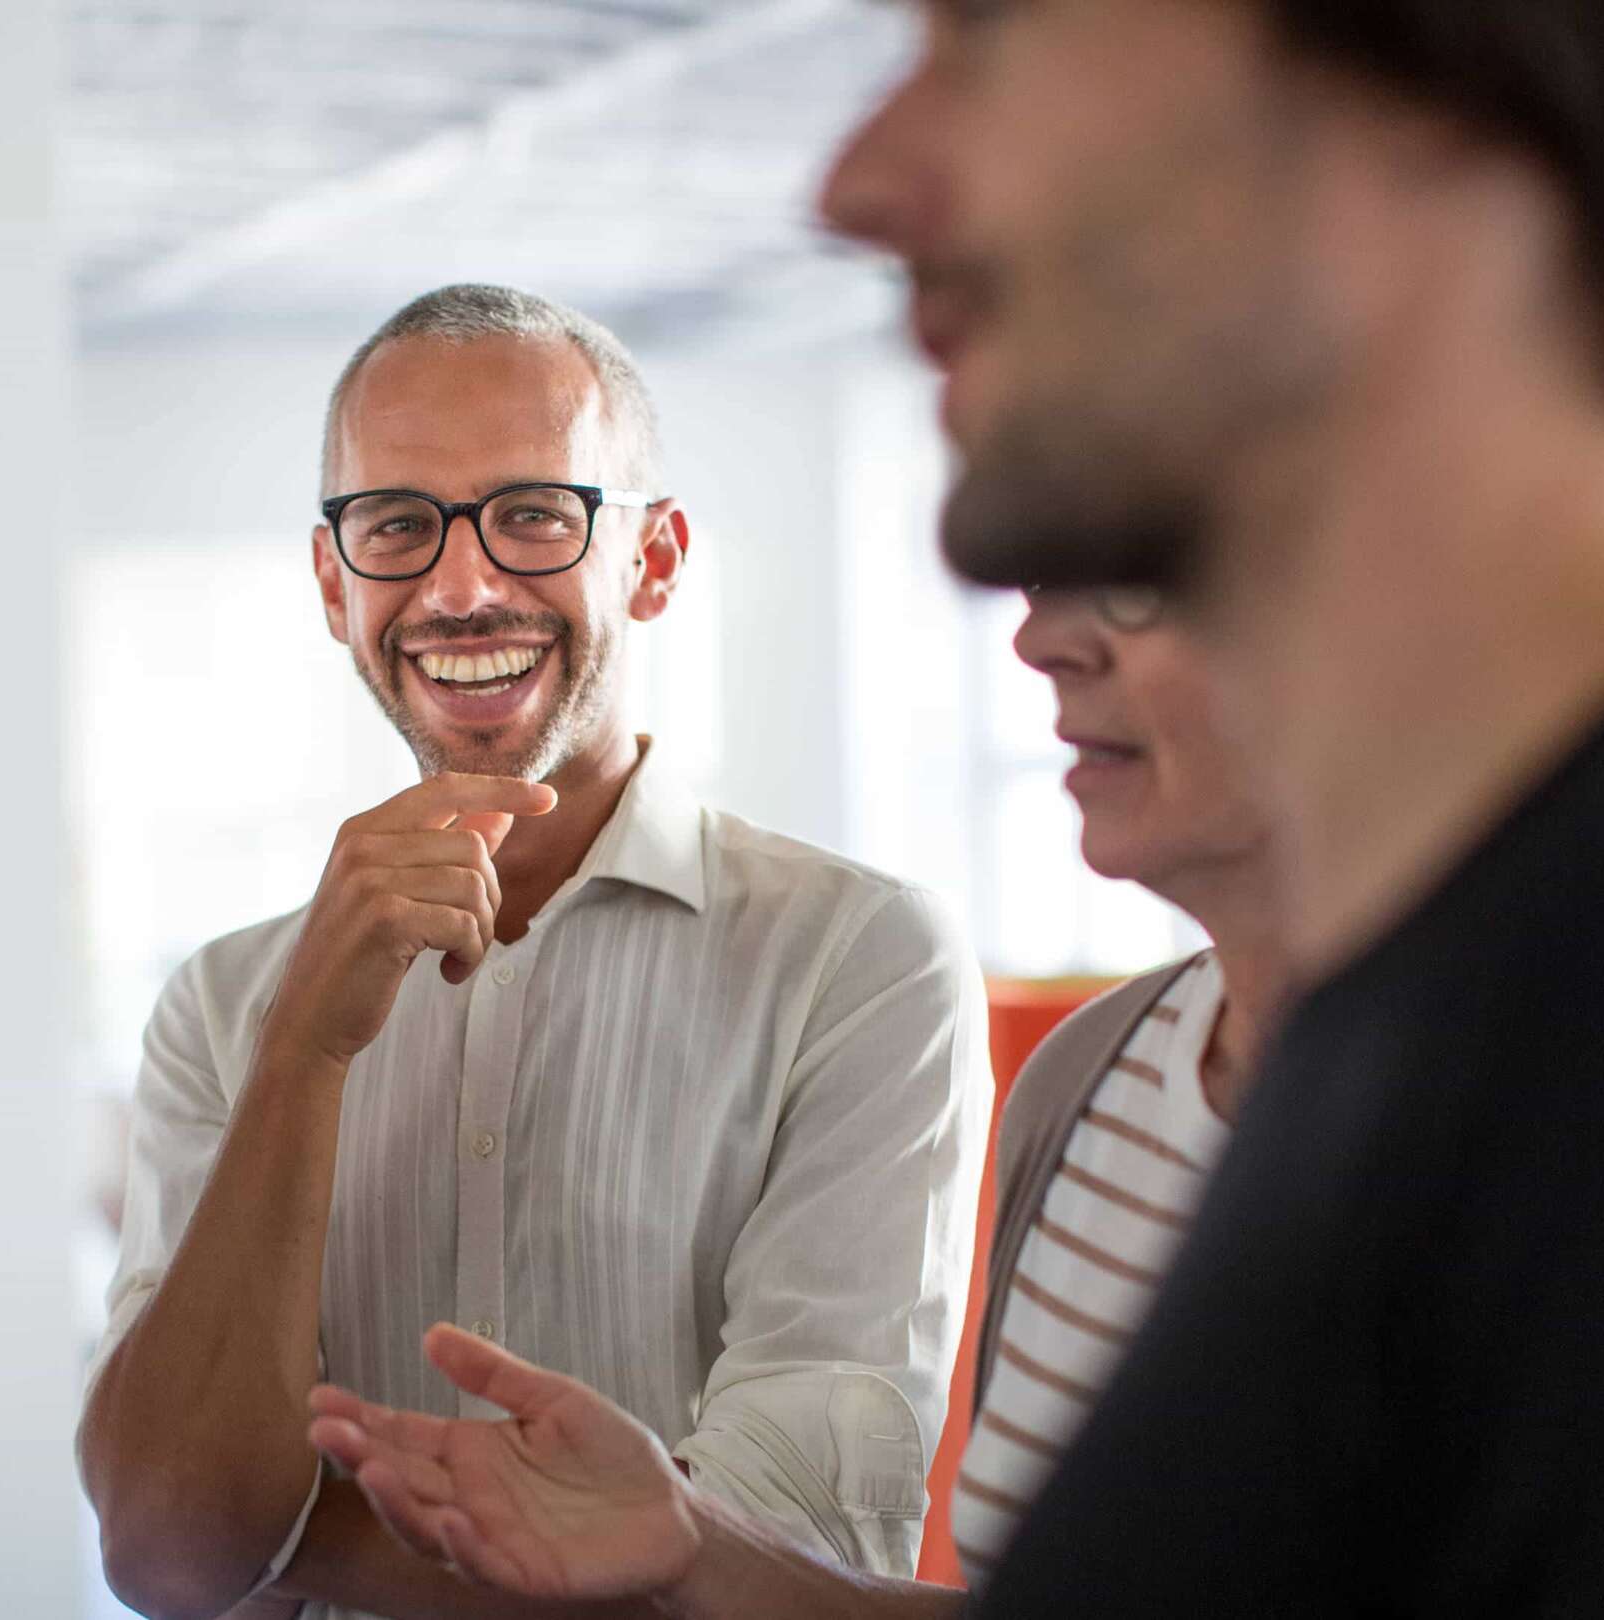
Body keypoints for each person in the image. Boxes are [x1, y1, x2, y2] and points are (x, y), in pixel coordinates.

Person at [302, 3, 1604, 1615]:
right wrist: (705, 1560)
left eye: (988, 39)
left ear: (1449, 101)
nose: (859, 181)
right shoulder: (1486, 991)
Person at [77, 283, 988, 1620]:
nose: (461, 585)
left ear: (654, 559)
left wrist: (283, 1526)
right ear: (336, 585)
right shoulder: (227, 1005)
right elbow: (162, 1553)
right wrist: (303, 1054)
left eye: (535, 516)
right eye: (397, 525)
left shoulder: (857, 962)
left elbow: (789, 1556)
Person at [945, 582, 1287, 1587]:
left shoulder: (1565, 1128)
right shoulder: (1089, 1073)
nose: (1040, 640)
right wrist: (704, 1552)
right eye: (1046, 584)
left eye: (1135, 575)